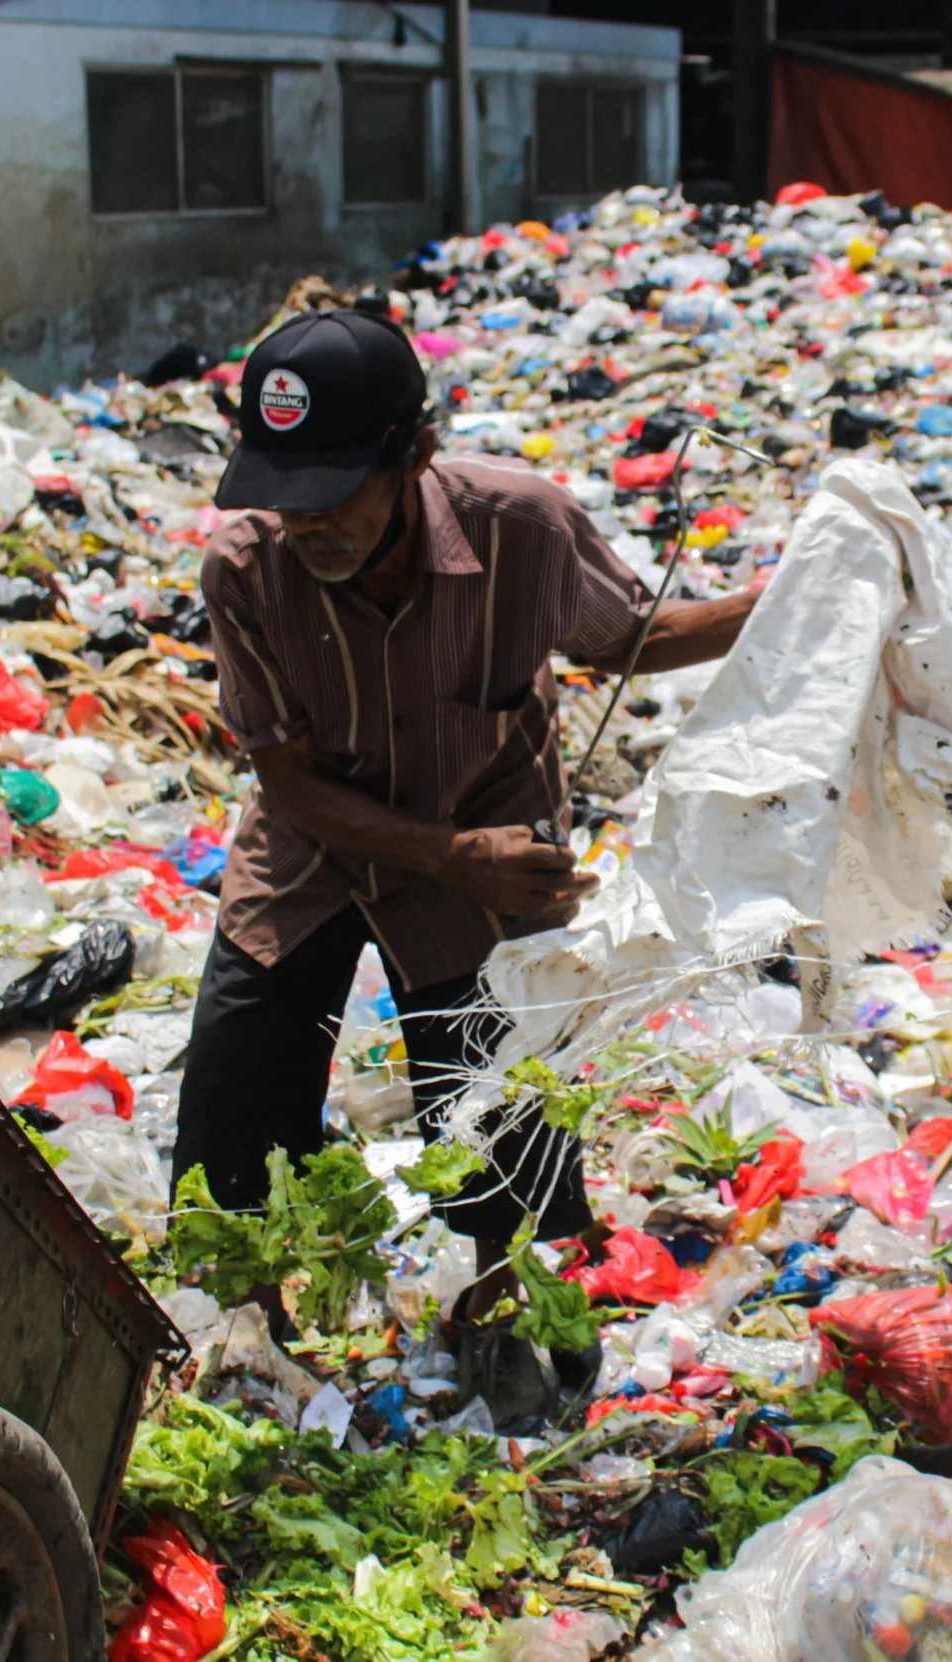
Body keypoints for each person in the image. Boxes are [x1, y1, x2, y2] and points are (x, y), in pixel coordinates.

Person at [178, 307, 757, 1416]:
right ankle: (247, 1327)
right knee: (239, 1079)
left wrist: (770, 608)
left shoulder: (522, 529)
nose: (306, 525)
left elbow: (624, 639)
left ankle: (495, 1303)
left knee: (505, 1085)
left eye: (334, 493)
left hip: (490, 822)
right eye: (283, 493)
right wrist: (447, 856)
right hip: (318, 845)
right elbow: (287, 783)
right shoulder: (246, 566)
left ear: (413, 454)